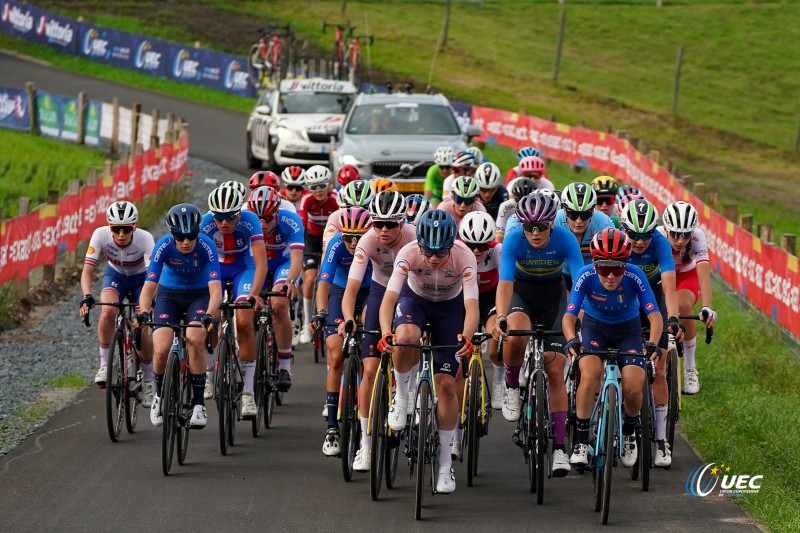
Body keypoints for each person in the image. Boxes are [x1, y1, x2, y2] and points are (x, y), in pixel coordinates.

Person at [379, 209, 479, 494]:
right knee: (405, 336)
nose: (433, 258)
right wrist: (387, 331)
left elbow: (471, 307)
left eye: (441, 252)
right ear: (419, 242)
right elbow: (389, 298)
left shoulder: (464, 256)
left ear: (452, 245)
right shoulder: (408, 252)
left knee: (446, 386)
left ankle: (445, 465)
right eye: (428, 251)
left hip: (449, 309)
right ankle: (401, 397)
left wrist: (468, 336)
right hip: (416, 302)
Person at [492, 193, 584, 477]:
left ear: (551, 225)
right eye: (529, 227)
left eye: (541, 227)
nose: (535, 233)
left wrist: (578, 318)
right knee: (516, 333)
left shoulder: (566, 238)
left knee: (555, 370)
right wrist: (503, 316)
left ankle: (558, 448)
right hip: (522, 294)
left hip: (553, 298)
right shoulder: (514, 239)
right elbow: (505, 283)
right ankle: (510, 384)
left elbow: (580, 281)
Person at [563, 228, 663, 470]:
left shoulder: (635, 276)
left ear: (625, 265)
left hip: (628, 331)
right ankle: (579, 441)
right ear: (594, 264)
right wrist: (571, 340)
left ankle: (629, 431)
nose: (609, 276)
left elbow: (655, 316)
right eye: (603, 268)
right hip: (594, 328)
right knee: (589, 375)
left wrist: (653, 344)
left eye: (617, 268)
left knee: (632, 383)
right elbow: (569, 317)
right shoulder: (586, 276)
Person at [338, 190, 415, 470]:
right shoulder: (368, 240)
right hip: (381, 290)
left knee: (408, 341)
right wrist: (348, 317)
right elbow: (351, 288)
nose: (383, 230)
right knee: (369, 371)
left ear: (402, 223)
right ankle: (366, 446)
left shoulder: (414, 237)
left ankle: (407, 387)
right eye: (378, 223)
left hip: (411, 291)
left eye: (390, 224)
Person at [134, 204, 222, 429]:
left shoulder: (206, 245)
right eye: (180, 237)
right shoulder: (163, 246)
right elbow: (148, 288)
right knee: (161, 347)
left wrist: (210, 315)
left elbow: (215, 291)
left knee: (194, 338)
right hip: (169, 295)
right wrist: (144, 311)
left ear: (197, 232)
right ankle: (160, 396)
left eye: (191, 236)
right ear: (172, 234)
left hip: (198, 296)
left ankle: (199, 405)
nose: (185, 242)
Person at [620, 198, 685, 467]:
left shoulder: (659, 244)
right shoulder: (618, 243)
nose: (639, 241)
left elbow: (669, 288)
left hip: (653, 301)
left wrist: (673, 318)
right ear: (625, 229)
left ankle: (661, 440)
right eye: (634, 234)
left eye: (645, 235)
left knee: (657, 367)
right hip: (624, 301)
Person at [79, 201, 156, 406]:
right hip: (116, 276)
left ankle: (148, 379)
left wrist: (150, 303)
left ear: (135, 226)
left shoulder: (145, 239)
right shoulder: (100, 235)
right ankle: (105, 364)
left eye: (126, 229)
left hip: (142, 280)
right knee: (108, 312)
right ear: (109, 227)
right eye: (116, 229)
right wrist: (87, 295)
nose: (121, 234)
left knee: (142, 326)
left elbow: (154, 275)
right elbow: (87, 270)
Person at [201, 184, 268, 415]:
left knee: (243, 320)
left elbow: (261, 263)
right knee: (210, 318)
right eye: (219, 217)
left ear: (239, 212)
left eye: (230, 217)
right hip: (216, 267)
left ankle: (248, 392)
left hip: (243, 268)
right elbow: (200, 262)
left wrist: (255, 294)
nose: (224, 223)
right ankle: (209, 370)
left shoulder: (251, 221)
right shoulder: (205, 223)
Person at [312, 207, 373, 460]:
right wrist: (321, 312)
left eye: (358, 237)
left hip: (370, 289)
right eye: (348, 237)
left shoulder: (373, 244)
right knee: (336, 354)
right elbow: (323, 282)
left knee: (371, 342)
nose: (353, 243)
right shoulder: (337, 244)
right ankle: (332, 429)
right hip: (340, 289)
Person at [657, 201, 717, 395]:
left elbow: (704, 277)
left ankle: (690, 367)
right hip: (662, 275)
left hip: (686, 276)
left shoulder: (698, 237)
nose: (681, 240)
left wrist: (707, 307)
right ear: (666, 228)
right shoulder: (657, 236)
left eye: (686, 234)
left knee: (683, 305)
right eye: (675, 234)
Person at [248, 186, 303, 391]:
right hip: (256, 264)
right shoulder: (245, 221)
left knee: (279, 303)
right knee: (246, 308)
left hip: (283, 264)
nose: (262, 224)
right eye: (257, 218)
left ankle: (285, 367)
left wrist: (290, 280)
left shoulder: (291, 220)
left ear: (277, 212)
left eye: (268, 218)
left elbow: (297, 259)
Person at [459, 211, 503, 409]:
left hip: (489, 298)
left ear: (490, 243)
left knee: (494, 338)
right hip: (463, 299)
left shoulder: (497, 251)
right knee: (459, 344)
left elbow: (506, 283)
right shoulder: (456, 250)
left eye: (482, 246)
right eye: (471, 246)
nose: (476, 251)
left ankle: (498, 380)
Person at [298, 165, 338, 344]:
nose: (318, 190)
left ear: (329, 185)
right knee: (309, 278)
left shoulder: (335, 199)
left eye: (322, 185)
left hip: (332, 238)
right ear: (308, 188)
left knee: (331, 277)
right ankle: (307, 324)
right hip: (313, 238)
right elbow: (301, 224)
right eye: (313, 187)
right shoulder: (306, 199)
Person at [555, 182, 614, 287]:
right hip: (559, 273)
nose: (579, 221)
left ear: (592, 212)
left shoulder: (604, 224)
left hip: (594, 274)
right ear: (564, 211)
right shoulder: (555, 221)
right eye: (573, 215)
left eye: (584, 215)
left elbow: (612, 261)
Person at [322, 180, 375, 252]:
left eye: (364, 208)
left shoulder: (375, 216)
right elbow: (328, 249)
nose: (356, 212)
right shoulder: (335, 216)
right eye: (351, 207)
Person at [495, 177, 536, 243]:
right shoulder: (506, 206)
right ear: (514, 198)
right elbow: (499, 236)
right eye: (519, 201)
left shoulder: (539, 208)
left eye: (528, 202)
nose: (523, 205)